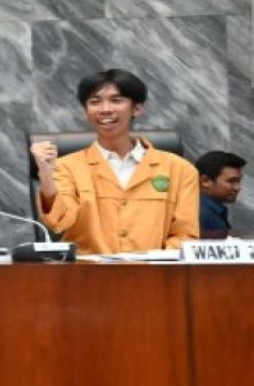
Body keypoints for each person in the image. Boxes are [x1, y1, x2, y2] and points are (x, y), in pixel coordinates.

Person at [31, 69, 199, 254]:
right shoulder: (66, 167)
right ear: (85, 112)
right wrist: (46, 174)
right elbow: (58, 221)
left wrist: (157, 266)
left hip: (153, 276)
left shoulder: (179, 169)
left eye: (116, 100)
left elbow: (185, 235)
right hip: (87, 276)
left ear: (137, 108)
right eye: (95, 102)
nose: (105, 109)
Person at [195, 150, 245, 239]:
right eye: (231, 181)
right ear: (205, 181)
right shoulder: (202, 214)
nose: (238, 188)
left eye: (238, 181)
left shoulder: (208, 210)